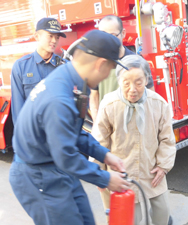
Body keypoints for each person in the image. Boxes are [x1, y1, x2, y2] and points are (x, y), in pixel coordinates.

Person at [9, 29, 130, 225]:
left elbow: (72, 133)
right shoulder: (59, 97)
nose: (108, 76)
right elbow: (65, 155)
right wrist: (105, 178)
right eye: (110, 70)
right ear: (100, 65)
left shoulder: (75, 82)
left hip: (58, 166)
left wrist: (104, 155)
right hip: (37, 175)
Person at [91, 54, 176, 225]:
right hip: (121, 175)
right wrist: (98, 173)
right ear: (119, 81)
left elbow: (167, 139)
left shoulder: (159, 104)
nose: (132, 89)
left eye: (138, 82)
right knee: (129, 220)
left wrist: (163, 166)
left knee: (163, 214)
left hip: (151, 172)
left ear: (146, 80)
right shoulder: (109, 104)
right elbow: (99, 141)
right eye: (126, 83)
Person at [89, 15, 154, 121]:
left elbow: (151, 97)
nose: (108, 41)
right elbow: (94, 95)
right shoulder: (97, 63)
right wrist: (97, 123)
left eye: (113, 35)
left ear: (123, 33)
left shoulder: (138, 62)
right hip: (108, 127)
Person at [11, 17, 66, 124]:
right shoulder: (21, 66)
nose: (54, 41)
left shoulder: (65, 67)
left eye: (57, 37)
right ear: (37, 36)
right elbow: (18, 107)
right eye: (50, 36)